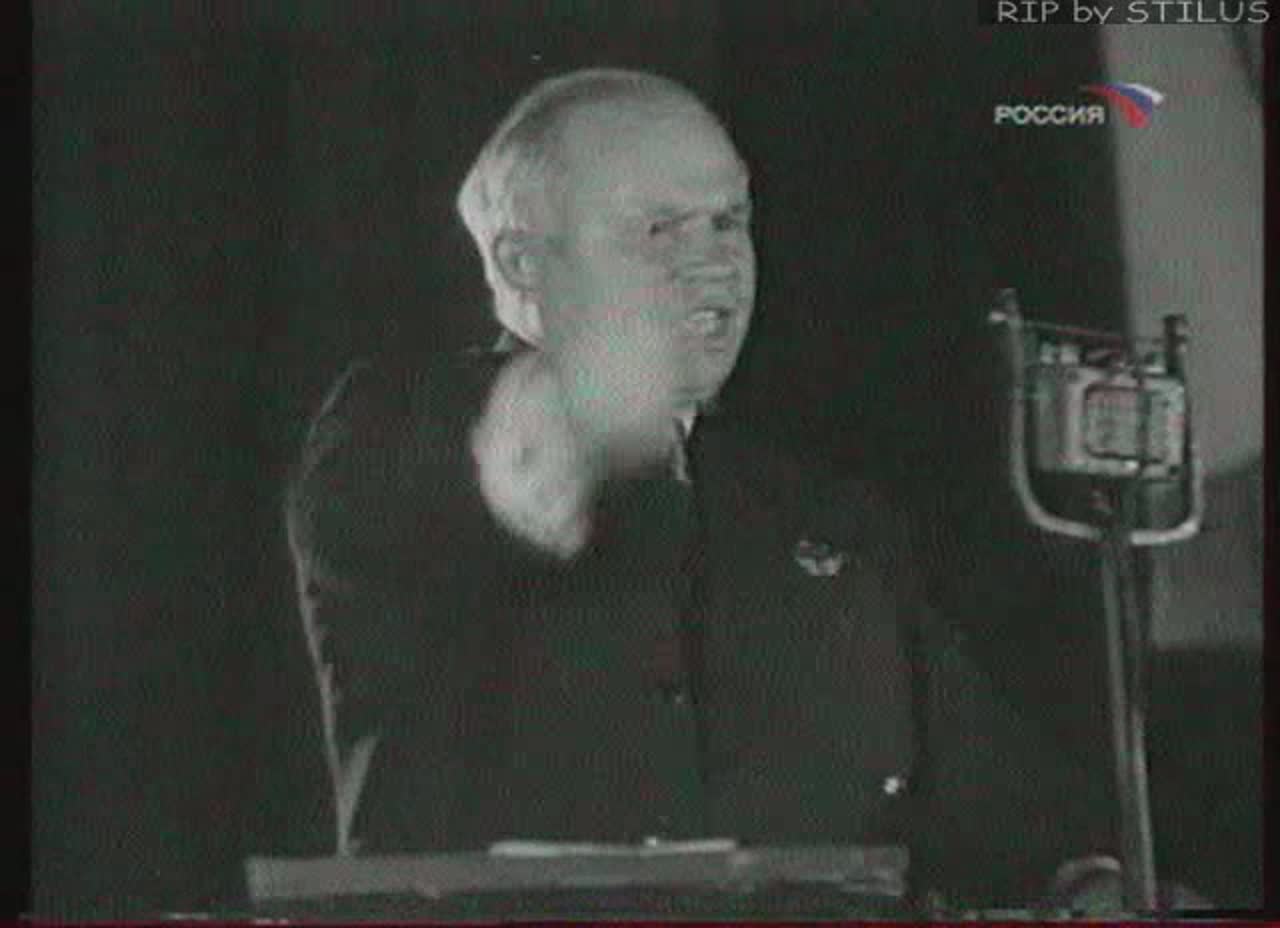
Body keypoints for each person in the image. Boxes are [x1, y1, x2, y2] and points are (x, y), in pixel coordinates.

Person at [284, 68, 1125, 912]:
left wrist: (1089, 877)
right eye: (660, 227)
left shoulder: (820, 518)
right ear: (523, 262)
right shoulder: (395, 434)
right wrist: (574, 406)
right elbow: (489, 476)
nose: (718, 261)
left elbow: (999, 795)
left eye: (730, 221)